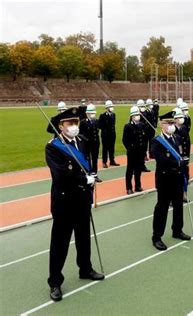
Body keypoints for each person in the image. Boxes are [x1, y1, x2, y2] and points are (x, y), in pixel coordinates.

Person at [45, 107, 104, 302]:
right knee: (60, 243)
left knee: (83, 237)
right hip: (64, 201)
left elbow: (88, 163)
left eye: (76, 123)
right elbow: (61, 174)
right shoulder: (53, 147)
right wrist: (83, 179)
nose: (74, 127)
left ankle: (85, 269)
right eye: (70, 123)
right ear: (60, 126)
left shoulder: (82, 142)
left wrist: (91, 176)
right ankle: (55, 281)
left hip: (82, 199)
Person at [151, 112, 191, 251]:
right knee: (162, 208)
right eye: (168, 123)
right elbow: (161, 159)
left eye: (173, 123)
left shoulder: (177, 138)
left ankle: (177, 230)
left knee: (178, 205)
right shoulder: (157, 141)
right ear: (162, 125)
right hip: (165, 179)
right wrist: (178, 163)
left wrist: (183, 164)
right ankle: (157, 237)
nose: (171, 126)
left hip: (178, 177)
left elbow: (182, 154)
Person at [122, 106, 147, 195]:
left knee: (138, 169)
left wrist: (144, 151)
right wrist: (130, 148)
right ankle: (129, 188)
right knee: (130, 170)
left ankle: (138, 186)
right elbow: (124, 140)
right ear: (132, 116)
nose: (138, 116)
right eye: (136, 115)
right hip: (132, 152)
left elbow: (144, 139)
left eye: (138, 114)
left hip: (140, 151)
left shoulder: (142, 125)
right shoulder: (128, 126)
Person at [79, 104, 102, 182]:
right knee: (87, 159)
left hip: (95, 143)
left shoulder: (96, 121)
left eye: (94, 113)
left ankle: (94, 174)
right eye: (92, 113)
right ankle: (88, 174)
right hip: (87, 144)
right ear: (87, 113)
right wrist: (85, 139)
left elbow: (97, 131)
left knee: (95, 159)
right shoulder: (83, 122)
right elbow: (80, 133)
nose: (93, 115)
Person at [174, 108, 191, 202]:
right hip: (176, 157)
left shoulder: (184, 127)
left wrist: (187, 156)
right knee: (176, 178)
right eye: (179, 117)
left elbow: (187, 141)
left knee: (185, 177)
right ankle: (173, 198)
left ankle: (184, 195)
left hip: (184, 155)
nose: (181, 118)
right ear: (175, 119)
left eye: (182, 117)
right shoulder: (172, 129)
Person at [98, 100, 120, 168]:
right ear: (107, 107)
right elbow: (100, 125)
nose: (111, 108)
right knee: (105, 149)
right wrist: (106, 128)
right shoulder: (103, 115)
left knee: (112, 148)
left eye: (111, 106)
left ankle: (112, 160)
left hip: (112, 134)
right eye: (110, 106)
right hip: (105, 135)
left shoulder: (113, 114)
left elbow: (113, 124)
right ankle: (104, 162)